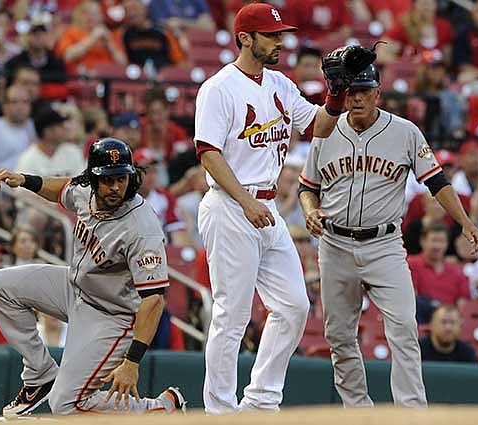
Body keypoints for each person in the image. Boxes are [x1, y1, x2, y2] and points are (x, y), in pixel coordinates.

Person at [194, 2, 352, 413]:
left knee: (294, 306)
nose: (280, 41)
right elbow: (208, 153)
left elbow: (318, 127)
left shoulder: (280, 84)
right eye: (271, 35)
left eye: (280, 34)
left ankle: (261, 401)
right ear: (245, 37)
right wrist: (245, 202)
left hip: (266, 208)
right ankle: (219, 411)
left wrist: (336, 94)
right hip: (232, 203)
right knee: (232, 315)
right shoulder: (219, 88)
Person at [298, 63, 478, 406]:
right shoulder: (327, 131)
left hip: (384, 245)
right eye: (351, 91)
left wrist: (466, 222)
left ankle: (411, 412)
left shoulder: (405, 132)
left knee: (403, 328)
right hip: (335, 243)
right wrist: (310, 210)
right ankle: (357, 410)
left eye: (364, 91)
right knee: (338, 336)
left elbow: (437, 182)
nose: (357, 98)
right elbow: (307, 187)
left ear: (377, 93)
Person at [0, 138, 186, 416]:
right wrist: (23, 179)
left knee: (65, 404)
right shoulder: (86, 190)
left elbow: (154, 300)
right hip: (75, 288)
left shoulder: (142, 227)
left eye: (122, 179)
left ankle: (159, 409)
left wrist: (132, 362)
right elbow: (63, 188)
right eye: (108, 180)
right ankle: (40, 374)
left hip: (110, 314)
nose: (115, 187)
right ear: (93, 177)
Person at [407, 222, 470, 324]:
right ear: (422, 241)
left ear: (447, 244)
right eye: (433, 241)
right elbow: (410, 299)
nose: (437, 246)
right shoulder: (411, 264)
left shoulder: (456, 272)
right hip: (420, 321)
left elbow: (462, 303)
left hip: (449, 323)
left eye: (441, 241)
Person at [133, 148, 194, 247]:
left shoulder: (165, 198)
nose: (151, 176)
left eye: (153, 171)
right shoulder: (124, 199)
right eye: (145, 171)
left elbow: (177, 232)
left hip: (160, 250)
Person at [55, 0, 127, 76]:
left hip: (109, 77)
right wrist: (92, 38)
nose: (93, 17)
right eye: (89, 14)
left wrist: (110, 44)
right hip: (83, 78)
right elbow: (68, 56)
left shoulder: (109, 34)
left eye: (97, 13)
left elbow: (123, 64)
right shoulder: (70, 32)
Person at [15, 105, 85, 177]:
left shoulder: (73, 151)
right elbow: (22, 187)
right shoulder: (28, 159)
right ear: (48, 131)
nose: (65, 127)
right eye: (60, 125)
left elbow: (83, 185)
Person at [378, 0, 453, 65]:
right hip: (410, 74)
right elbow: (381, 54)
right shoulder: (404, 25)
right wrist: (404, 64)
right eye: (423, 3)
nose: (426, 6)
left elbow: (447, 60)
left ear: (436, 5)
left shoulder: (444, 27)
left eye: (429, 3)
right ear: (414, 5)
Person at [118, 0, 187, 69]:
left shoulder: (164, 32)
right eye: (127, 11)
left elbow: (180, 63)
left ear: (145, 9)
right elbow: (121, 64)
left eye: (134, 9)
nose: (131, 14)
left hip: (165, 76)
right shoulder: (123, 34)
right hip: (136, 77)